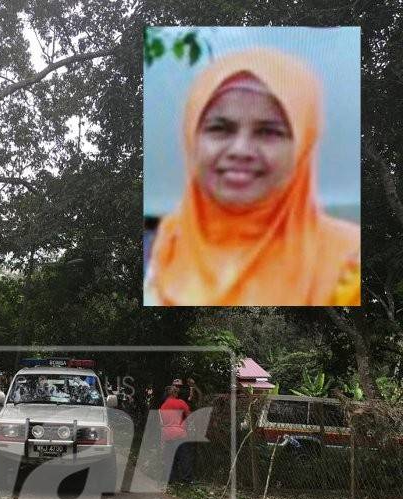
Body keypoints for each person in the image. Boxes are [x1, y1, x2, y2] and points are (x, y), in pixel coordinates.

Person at [145, 48, 360, 306]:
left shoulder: (349, 260)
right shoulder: (167, 243)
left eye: (268, 132)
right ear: (192, 136)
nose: (241, 150)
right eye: (220, 129)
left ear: (303, 145)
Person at [159, 384, 193, 484]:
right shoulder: (181, 402)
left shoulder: (163, 406)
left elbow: (162, 423)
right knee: (184, 457)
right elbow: (189, 415)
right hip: (180, 434)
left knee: (170, 458)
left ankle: (170, 480)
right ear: (175, 393)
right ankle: (187, 480)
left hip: (168, 435)